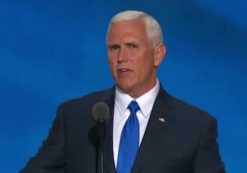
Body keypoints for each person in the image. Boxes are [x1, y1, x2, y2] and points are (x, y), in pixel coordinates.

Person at [21, 10, 225, 173]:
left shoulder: (194, 128)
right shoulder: (75, 117)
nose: (121, 57)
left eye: (132, 46)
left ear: (158, 55)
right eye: (114, 48)